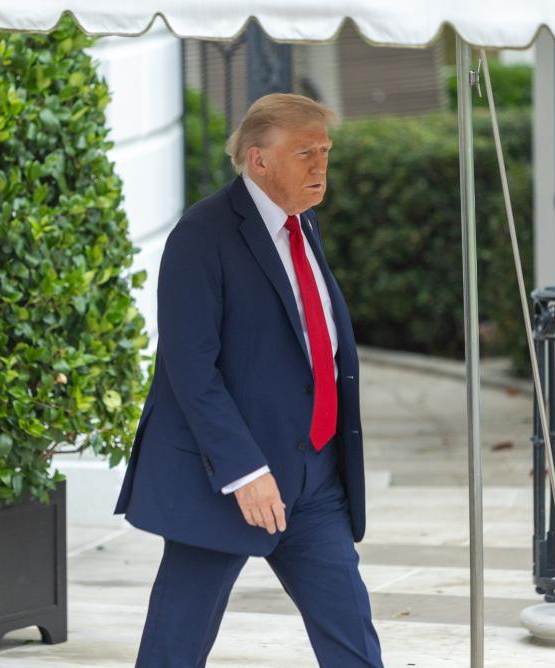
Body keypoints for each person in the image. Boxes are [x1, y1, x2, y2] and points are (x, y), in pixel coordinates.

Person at [113, 93, 382, 667]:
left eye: (326, 151)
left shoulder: (303, 223)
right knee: (175, 648)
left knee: (352, 637)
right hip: (228, 481)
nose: (321, 165)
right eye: (305, 152)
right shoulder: (201, 234)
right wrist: (245, 472)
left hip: (313, 477)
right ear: (258, 160)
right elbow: (191, 370)